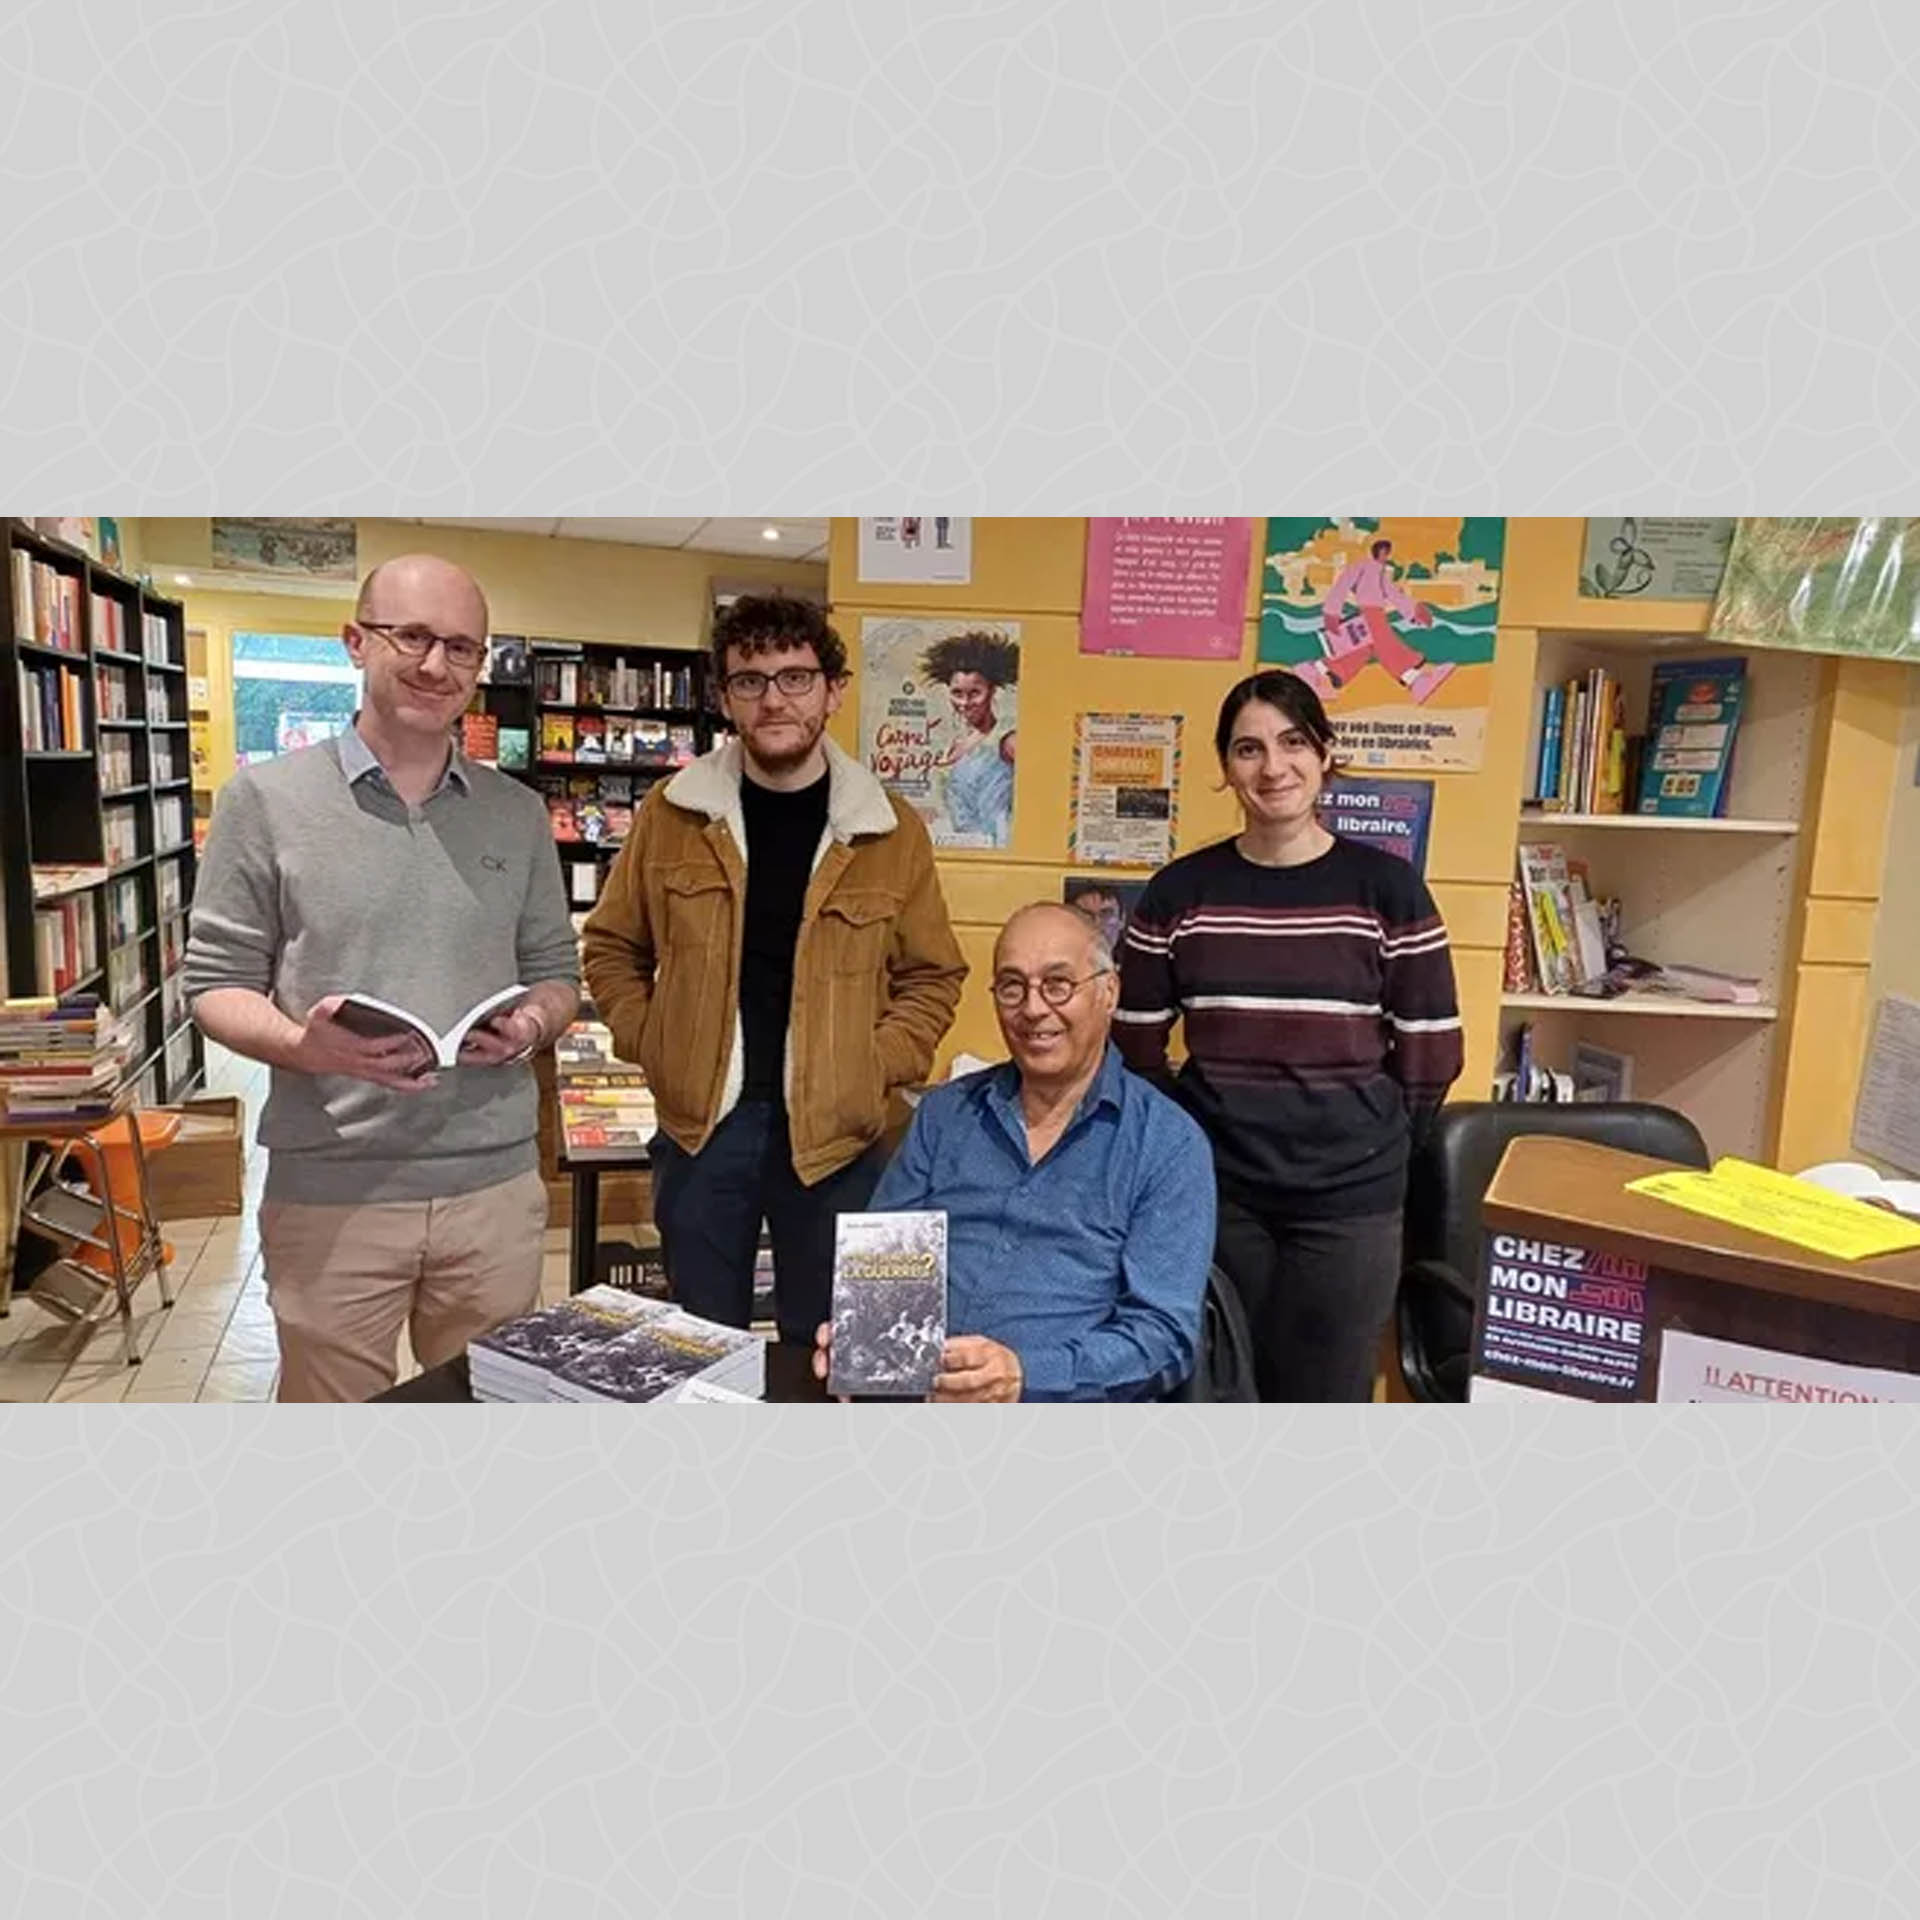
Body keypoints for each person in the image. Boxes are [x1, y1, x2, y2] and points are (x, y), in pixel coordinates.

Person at [185, 555, 581, 1402]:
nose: (436, 666)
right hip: (335, 1189)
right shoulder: (264, 801)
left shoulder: (516, 814)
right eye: (413, 637)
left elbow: (556, 970)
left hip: (496, 1190)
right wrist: (305, 1046)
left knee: (488, 1417)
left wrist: (534, 1024)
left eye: (462, 648)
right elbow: (214, 985)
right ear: (355, 641)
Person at [582, 592, 966, 1346]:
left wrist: (871, 1065)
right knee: (696, 1346)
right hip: (703, 1133)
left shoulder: (888, 829)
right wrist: (651, 1038)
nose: (774, 699)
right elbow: (611, 947)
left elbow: (932, 974)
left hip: (838, 1138)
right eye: (750, 681)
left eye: (794, 677)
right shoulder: (673, 812)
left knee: (831, 1348)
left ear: (833, 690)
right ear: (725, 697)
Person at [1115, 669, 1463, 1402]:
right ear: (1225, 768)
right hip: (1219, 1192)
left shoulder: (1387, 889)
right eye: (1248, 749)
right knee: (1222, 1390)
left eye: (1293, 742)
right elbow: (1135, 1042)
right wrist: (1191, 1138)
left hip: (1352, 1202)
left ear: (1325, 752)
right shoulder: (1181, 892)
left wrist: (1372, 1136)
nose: (1273, 768)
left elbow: (1432, 1050)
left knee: (1322, 1406)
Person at [814, 903, 1215, 1402]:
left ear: (1108, 992)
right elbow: (884, 1265)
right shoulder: (944, 1115)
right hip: (919, 1403)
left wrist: (1025, 1375)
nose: (1032, 1008)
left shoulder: (1168, 1144)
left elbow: (1164, 1339)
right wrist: (861, 1337)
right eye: (1011, 986)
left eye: (1057, 985)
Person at [1299, 535, 1453, 705]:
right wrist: (1331, 612)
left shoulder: (1380, 573)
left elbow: (1394, 594)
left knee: (1366, 648)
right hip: (1370, 611)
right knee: (1386, 643)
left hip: (1375, 611)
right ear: (1379, 551)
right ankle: (1416, 681)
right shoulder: (1361, 567)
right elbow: (1342, 585)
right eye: (1385, 552)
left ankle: (1315, 670)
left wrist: (1413, 613)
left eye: (1388, 553)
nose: (1387, 556)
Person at [919, 628, 1018, 844]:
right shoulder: (952, 744)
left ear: (991, 691)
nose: (964, 703)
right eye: (957, 693)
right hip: (960, 848)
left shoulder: (1007, 740)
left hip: (999, 847)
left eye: (974, 693)